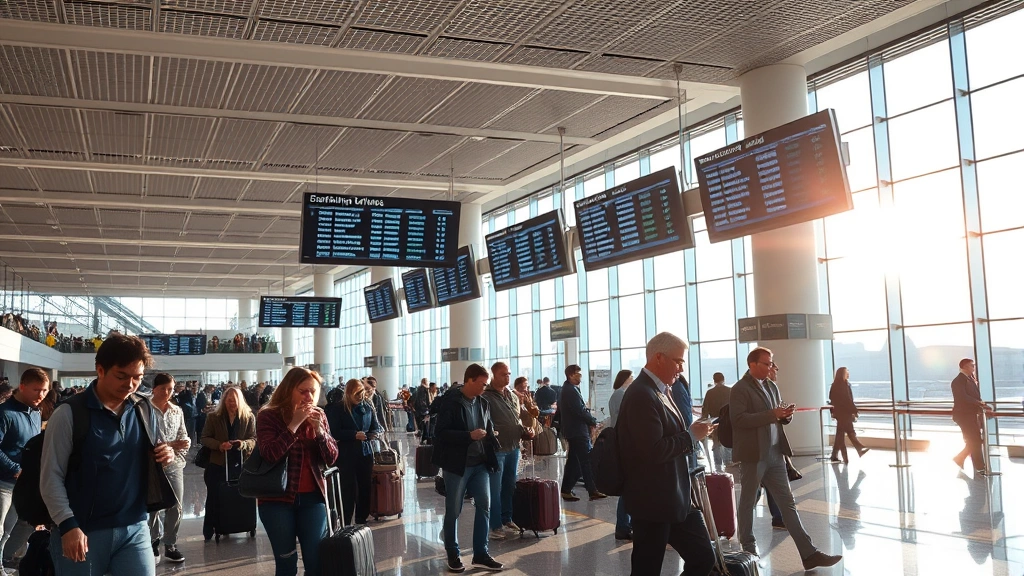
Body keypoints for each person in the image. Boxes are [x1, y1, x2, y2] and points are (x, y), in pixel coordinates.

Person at [40, 334, 175, 576]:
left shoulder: (143, 409)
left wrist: (164, 454)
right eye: (122, 376)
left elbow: (152, 451)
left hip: (135, 527)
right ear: (100, 370)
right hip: (82, 530)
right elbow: (51, 477)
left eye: (138, 378)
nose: (131, 384)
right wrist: (68, 524)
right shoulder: (69, 414)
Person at [731, 347, 841, 569]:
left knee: (787, 504)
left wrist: (784, 416)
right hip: (753, 455)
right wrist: (772, 414)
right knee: (747, 503)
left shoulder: (771, 386)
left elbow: (777, 418)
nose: (771, 367)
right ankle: (748, 549)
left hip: (775, 453)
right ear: (752, 364)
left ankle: (808, 554)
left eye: (771, 363)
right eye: (766, 363)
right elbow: (739, 420)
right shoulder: (740, 389)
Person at [616, 333, 715, 576]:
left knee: (703, 558)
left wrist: (692, 435)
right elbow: (652, 450)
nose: (681, 368)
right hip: (654, 499)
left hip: (675, 495)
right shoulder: (641, 394)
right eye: (678, 361)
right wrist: (691, 436)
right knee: (647, 568)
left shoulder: (661, 390)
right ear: (658, 358)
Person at [255, 367, 338, 576]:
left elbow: (332, 457)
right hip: (276, 499)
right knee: (286, 562)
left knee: (315, 560)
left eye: (312, 391)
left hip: (313, 499)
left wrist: (320, 432)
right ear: (289, 389)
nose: (309, 396)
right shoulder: (268, 415)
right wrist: (294, 424)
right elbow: (270, 454)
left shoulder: (319, 414)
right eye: (303, 391)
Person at [433, 364, 503, 573]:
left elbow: (487, 427)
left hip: (480, 463)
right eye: (482, 384)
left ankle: (480, 553)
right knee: (454, 510)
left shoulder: (483, 402)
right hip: (457, 465)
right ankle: (452, 552)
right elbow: (441, 433)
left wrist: (492, 436)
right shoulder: (452, 403)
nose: (484, 388)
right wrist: (468, 436)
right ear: (470, 380)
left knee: (484, 505)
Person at [0, 368, 49, 569]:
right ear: (22, 386)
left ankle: (6, 559)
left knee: (26, 524)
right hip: (4, 483)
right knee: (2, 529)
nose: (41, 395)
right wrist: (15, 469)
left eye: (44, 390)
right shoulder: (5, 413)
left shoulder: (36, 413)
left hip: (26, 482)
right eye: (36, 390)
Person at [482, 362, 531, 540]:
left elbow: (516, 418)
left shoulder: (511, 395)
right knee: (495, 488)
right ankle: (495, 525)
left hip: (513, 447)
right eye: (503, 374)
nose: (507, 377)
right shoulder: (486, 396)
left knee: (509, 485)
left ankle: (507, 518)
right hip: (498, 449)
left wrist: (524, 431)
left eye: (509, 374)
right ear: (494, 375)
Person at [199, 386, 256, 541]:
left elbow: (254, 439)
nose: (232, 403)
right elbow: (204, 438)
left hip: (240, 464)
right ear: (224, 401)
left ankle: (237, 524)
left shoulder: (248, 417)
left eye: (235, 400)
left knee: (239, 496)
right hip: (217, 464)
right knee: (214, 496)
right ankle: (209, 529)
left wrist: (243, 444)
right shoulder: (213, 417)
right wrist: (219, 445)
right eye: (229, 400)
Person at [147, 374, 190, 564]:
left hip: (174, 464)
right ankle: (153, 541)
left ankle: (170, 543)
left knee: (176, 505)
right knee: (153, 506)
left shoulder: (176, 411)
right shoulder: (145, 409)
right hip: (152, 464)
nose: (167, 392)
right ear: (154, 388)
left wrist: (184, 444)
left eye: (171, 389)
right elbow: (147, 441)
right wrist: (172, 444)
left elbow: (184, 436)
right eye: (163, 388)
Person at [325, 378, 380, 526]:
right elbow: (333, 432)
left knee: (365, 486)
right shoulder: (338, 409)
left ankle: (362, 518)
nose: (360, 396)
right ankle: (346, 520)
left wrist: (373, 434)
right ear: (348, 393)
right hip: (346, 454)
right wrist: (353, 434)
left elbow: (376, 426)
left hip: (365, 452)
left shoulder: (367, 406)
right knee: (348, 488)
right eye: (356, 393)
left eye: (361, 392)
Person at [559, 365, 605, 502]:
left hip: (575, 430)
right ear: (571, 375)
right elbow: (579, 410)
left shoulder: (571, 389)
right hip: (577, 431)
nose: (581, 377)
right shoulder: (570, 390)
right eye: (578, 374)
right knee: (587, 460)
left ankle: (566, 489)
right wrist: (592, 421)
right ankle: (592, 490)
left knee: (574, 462)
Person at [607, 369, 633, 540]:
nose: (633, 379)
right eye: (631, 377)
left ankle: (625, 524)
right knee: (628, 487)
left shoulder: (617, 394)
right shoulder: (621, 394)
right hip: (624, 443)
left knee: (628, 487)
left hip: (620, 441)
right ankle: (623, 525)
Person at [951, 358, 989, 473]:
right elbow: (963, 397)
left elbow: (974, 396)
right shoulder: (958, 381)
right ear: (965, 367)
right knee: (975, 440)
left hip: (970, 415)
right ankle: (980, 467)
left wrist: (981, 404)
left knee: (974, 440)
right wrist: (979, 403)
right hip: (964, 416)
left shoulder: (970, 379)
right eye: (972, 366)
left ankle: (960, 458)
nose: (973, 368)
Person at [829, 367, 868, 463]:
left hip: (840, 413)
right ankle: (859, 448)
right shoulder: (843, 385)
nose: (848, 374)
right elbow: (847, 399)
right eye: (847, 372)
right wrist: (854, 410)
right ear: (842, 374)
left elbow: (833, 399)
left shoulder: (836, 385)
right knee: (850, 431)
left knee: (840, 434)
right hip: (844, 413)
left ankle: (836, 455)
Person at [700, 372, 732, 471]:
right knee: (728, 440)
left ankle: (718, 465)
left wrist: (705, 421)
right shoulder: (730, 391)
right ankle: (729, 461)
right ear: (724, 379)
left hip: (715, 421)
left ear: (714, 380)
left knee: (716, 443)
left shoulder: (710, 393)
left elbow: (705, 409)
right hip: (728, 421)